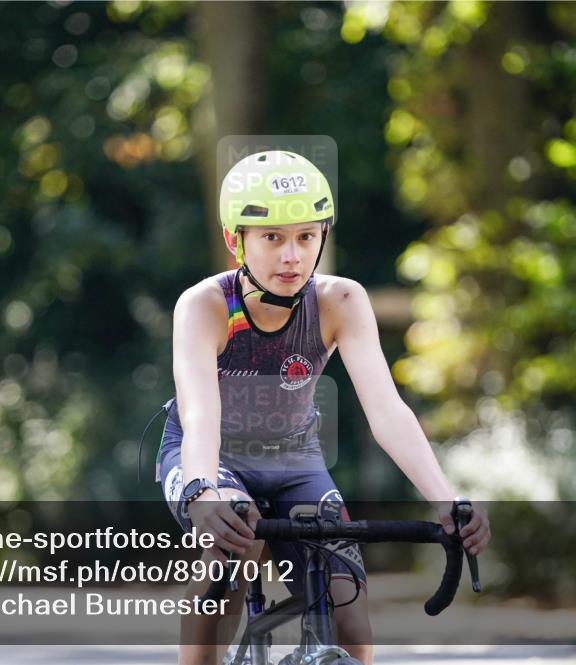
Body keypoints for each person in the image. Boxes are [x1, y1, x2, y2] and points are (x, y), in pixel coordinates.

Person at [155, 150, 491, 665]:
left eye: (306, 237)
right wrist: (203, 492)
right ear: (234, 240)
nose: (292, 256)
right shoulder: (204, 306)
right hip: (212, 459)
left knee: (351, 614)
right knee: (228, 550)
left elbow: (387, 411)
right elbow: (201, 414)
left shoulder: (341, 302)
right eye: (273, 238)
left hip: (295, 461)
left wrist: (445, 499)